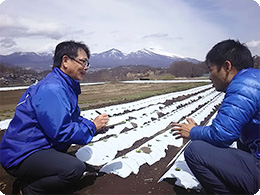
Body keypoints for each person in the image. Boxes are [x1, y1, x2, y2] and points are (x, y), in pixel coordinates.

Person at [0, 40, 109, 194]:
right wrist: (92, 127)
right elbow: (61, 132)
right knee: (74, 168)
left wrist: (94, 127)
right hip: (20, 154)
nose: (86, 67)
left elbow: (74, 117)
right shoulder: (52, 89)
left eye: (87, 63)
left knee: (66, 157)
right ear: (65, 61)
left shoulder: (64, 86)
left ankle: (35, 175)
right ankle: (28, 190)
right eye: (83, 62)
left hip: (34, 146)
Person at [172, 39, 260, 194]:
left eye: (211, 69)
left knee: (195, 151)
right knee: (242, 136)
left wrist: (193, 132)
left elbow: (223, 135)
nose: (210, 77)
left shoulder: (243, 86)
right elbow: (228, 128)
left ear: (227, 67)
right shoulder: (253, 79)